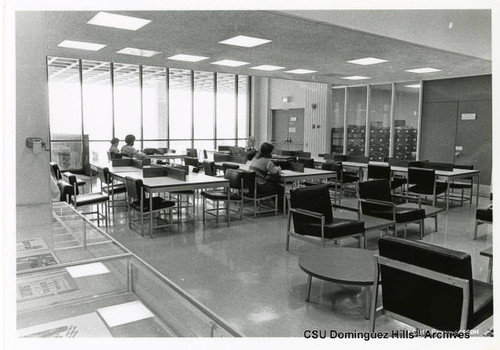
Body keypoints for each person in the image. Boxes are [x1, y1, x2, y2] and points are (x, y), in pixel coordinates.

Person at [249, 142, 285, 211]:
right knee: (280, 188)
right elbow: (276, 173)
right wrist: (279, 168)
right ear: (268, 152)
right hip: (260, 186)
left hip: (253, 186)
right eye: (272, 151)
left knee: (272, 185)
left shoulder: (255, 158)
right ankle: (283, 208)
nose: (273, 152)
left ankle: (277, 206)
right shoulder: (267, 161)